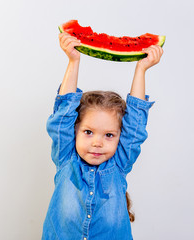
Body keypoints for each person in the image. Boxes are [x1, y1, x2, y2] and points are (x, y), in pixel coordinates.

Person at [42, 32, 163, 240]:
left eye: (109, 135)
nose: (97, 142)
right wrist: (73, 60)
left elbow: (134, 125)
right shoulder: (66, 159)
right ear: (75, 130)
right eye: (88, 132)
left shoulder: (119, 164)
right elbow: (63, 116)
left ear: (119, 137)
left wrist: (141, 69)